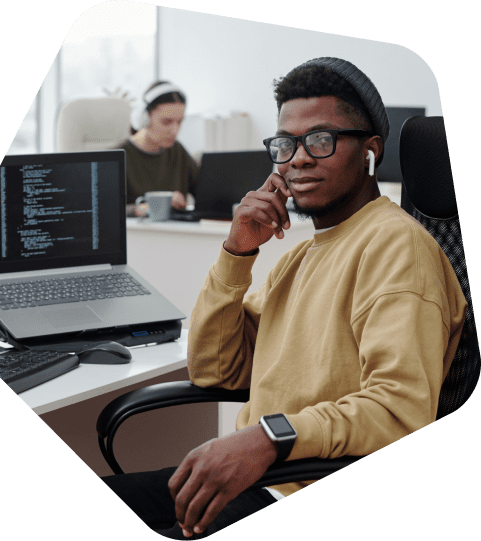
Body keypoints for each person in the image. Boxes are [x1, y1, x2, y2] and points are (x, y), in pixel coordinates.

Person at [102, 58, 467, 539]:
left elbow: (399, 412)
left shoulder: (398, 249)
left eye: (320, 139)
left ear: (370, 152)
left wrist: (267, 437)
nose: (297, 158)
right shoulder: (301, 257)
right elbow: (216, 368)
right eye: (285, 144)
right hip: (258, 480)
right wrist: (237, 252)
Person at [116, 81, 199, 217]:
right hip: (139, 235)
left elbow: (205, 192)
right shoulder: (118, 157)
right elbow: (103, 211)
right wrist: (140, 209)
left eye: (179, 122)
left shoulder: (177, 150)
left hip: (177, 233)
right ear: (144, 118)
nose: (175, 130)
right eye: (166, 122)